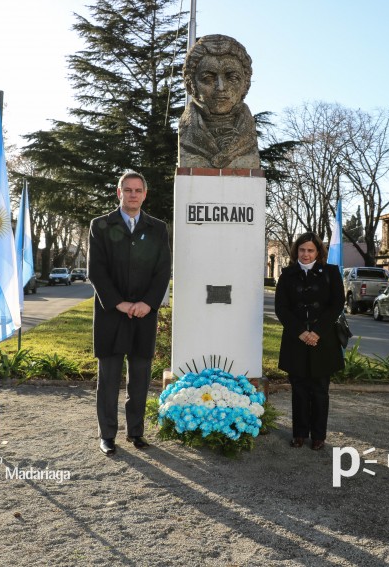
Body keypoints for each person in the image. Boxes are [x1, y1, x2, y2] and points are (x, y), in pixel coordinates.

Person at [87, 171, 172, 456]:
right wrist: (119, 304)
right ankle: (107, 435)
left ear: (145, 194)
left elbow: (163, 271)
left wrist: (148, 303)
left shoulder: (158, 228)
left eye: (138, 190)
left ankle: (135, 433)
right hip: (111, 315)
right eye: (128, 189)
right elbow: (95, 271)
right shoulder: (100, 226)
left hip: (144, 315)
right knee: (108, 379)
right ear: (118, 192)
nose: (133, 194)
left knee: (139, 377)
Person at [274, 233, 345, 451]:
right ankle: (299, 434)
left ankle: (318, 436)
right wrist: (301, 332)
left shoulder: (331, 273)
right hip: (296, 341)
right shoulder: (287, 275)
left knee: (320, 390)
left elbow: (337, 305)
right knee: (299, 390)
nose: (306, 254)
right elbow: (281, 308)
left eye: (310, 250)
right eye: (302, 250)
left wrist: (316, 332)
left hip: (323, 341)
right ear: (297, 251)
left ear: (318, 252)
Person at [178, 34, 260, 169]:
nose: (221, 87)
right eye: (208, 78)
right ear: (191, 85)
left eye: (232, 77)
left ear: (245, 84)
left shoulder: (248, 134)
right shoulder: (187, 134)